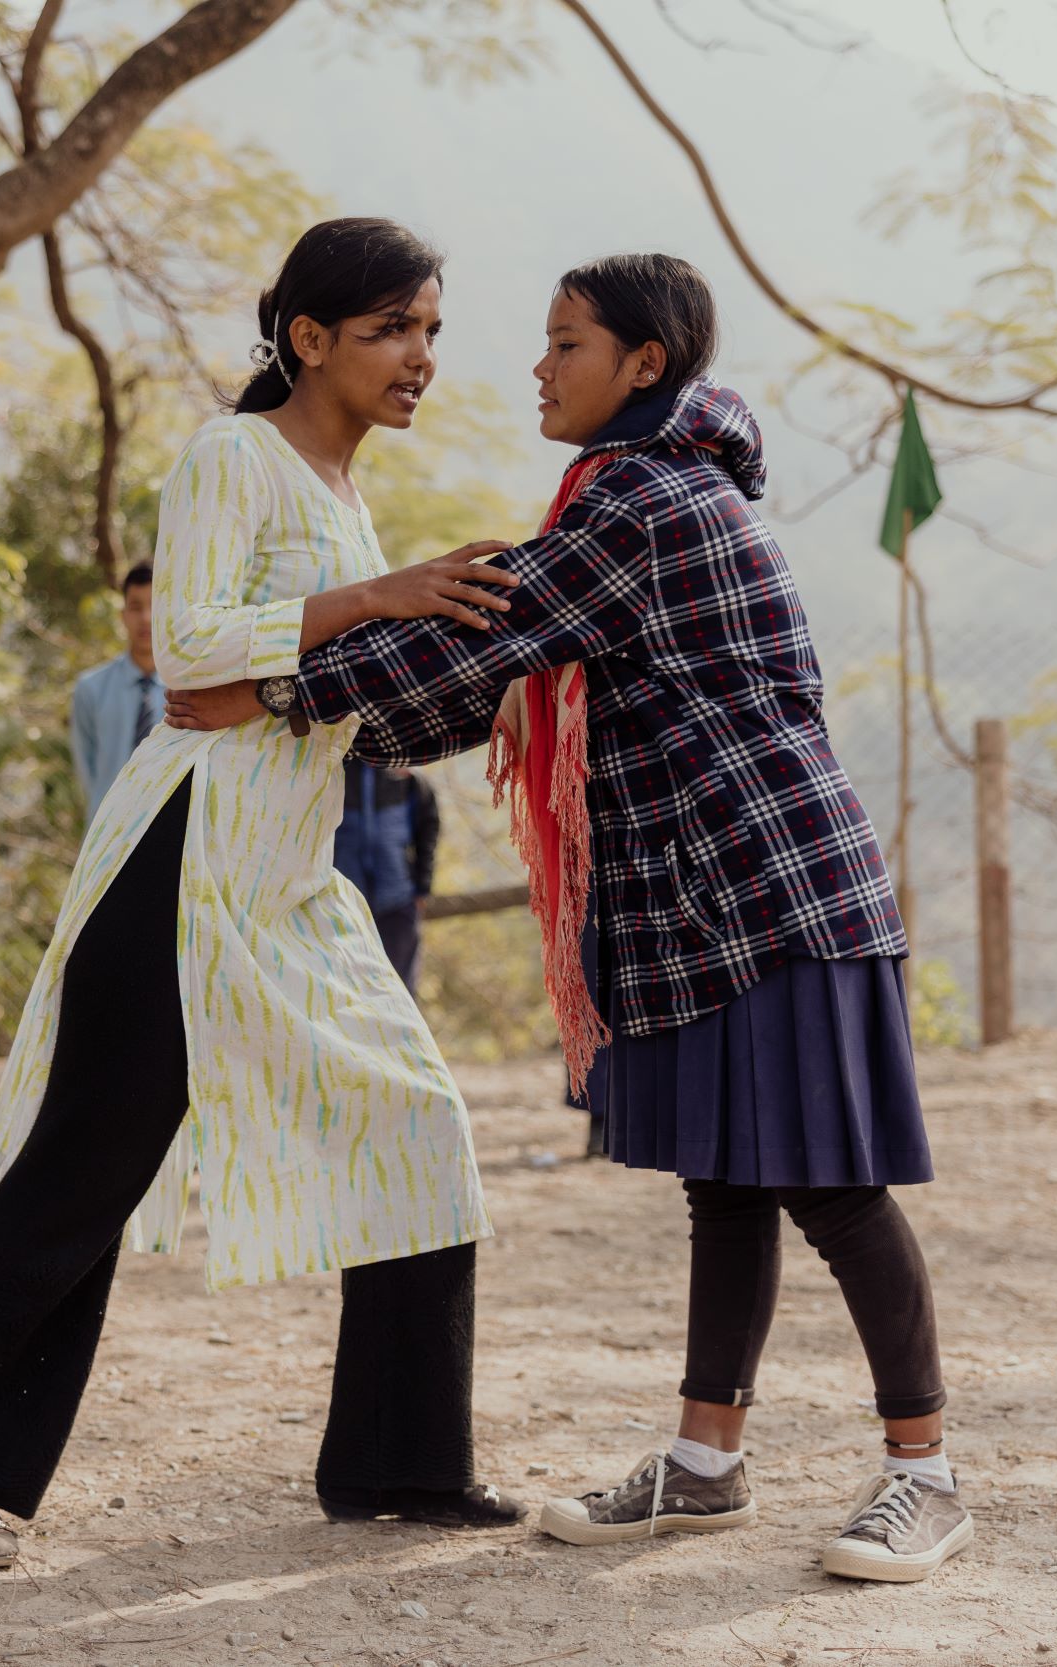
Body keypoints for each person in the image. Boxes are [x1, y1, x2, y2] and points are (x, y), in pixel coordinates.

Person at [168, 254, 969, 1583]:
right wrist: (317, 703)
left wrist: (276, 689)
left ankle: (925, 1472)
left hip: (771, 886)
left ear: (643, 364)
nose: (537, 366)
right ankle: (707, 1462)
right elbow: (488, 679)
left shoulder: (642, 504)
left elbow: (486, 635)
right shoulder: (636, 495)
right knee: (730, 1182)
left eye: (567, 344)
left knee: (832, 1184)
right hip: (716, 892)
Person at [0, 218, 529, 1569]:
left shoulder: (346, 498)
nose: (419, 358)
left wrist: (489, 678)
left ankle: (398, 1462)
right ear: (308, 338)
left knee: (416, 1122)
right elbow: (188, 666)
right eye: (390, 329)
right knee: (83, 1169)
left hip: (292, 876)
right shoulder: (234, 454)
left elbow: (303, 693)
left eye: (430, 332)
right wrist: (377, 598)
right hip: (181, 862)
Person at [331, 760, 438, 990]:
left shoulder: (408, 778)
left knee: (399, 987)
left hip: (398, 900)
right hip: (345, 902)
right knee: (349, 988)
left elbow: (428, 829)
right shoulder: (334, 771)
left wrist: (422, 888)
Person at [69, 563, 162, 821]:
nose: (145, 617)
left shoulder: (190, 690)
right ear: (123, 615)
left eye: (154, 605)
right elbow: (87, 771)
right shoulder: (90, 688)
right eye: (135, 607)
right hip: (107, 832)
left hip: (172, 835)